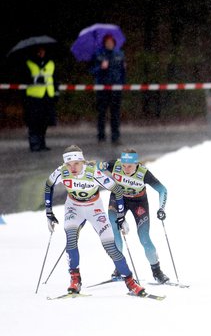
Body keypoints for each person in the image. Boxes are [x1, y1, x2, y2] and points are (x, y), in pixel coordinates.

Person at [44, 145, 146, 296]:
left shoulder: (93, 173)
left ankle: (131, 283)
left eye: (76, 163)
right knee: (71, 239)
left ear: (82, 162)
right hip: (73, 208)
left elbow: (117, 190)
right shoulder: (62, 172)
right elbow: (48, 185)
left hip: (94, 209)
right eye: (69, 164)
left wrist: (120, 216)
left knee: (110, 247)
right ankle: (75, 280)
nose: (72, 168)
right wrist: (49, 212)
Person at [97, 149, 170, 283]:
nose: (126, 169)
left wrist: (161, 208)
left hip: (139, 202)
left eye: (129, 166)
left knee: (144, 238)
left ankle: (157, 271)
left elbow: (162, 189)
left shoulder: (144, 173)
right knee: (114, 233)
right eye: (124, 165)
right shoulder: (114, 165)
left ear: (136, 164)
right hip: (117, 199)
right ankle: (119, 268)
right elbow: (96, 167)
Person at [91, 34, 126, 145]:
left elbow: (123, 73)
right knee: (102, 114)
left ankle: (115, 137)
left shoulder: (120, 54)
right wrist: (101, 67)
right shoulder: (98, 54)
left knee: (115, 114)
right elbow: (92, 71)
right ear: (104, 43)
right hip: (102, 89)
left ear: (114, 43)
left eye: (111, 42)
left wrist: (123, 79)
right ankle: (101, 137)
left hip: (116, 89)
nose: (109, 44)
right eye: (107, 42)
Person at [24, 46, 58, 152]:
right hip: (34, 97)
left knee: (44, 122)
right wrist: (36, 80)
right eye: (39, 51)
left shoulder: (50, 63)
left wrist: (56, 93)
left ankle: (42, 143)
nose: (41, 52)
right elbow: (24, 78)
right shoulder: (29, 63)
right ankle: (34, 144)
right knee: (34, 122)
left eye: (43, 50)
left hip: (47, 96)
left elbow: (55, 79)